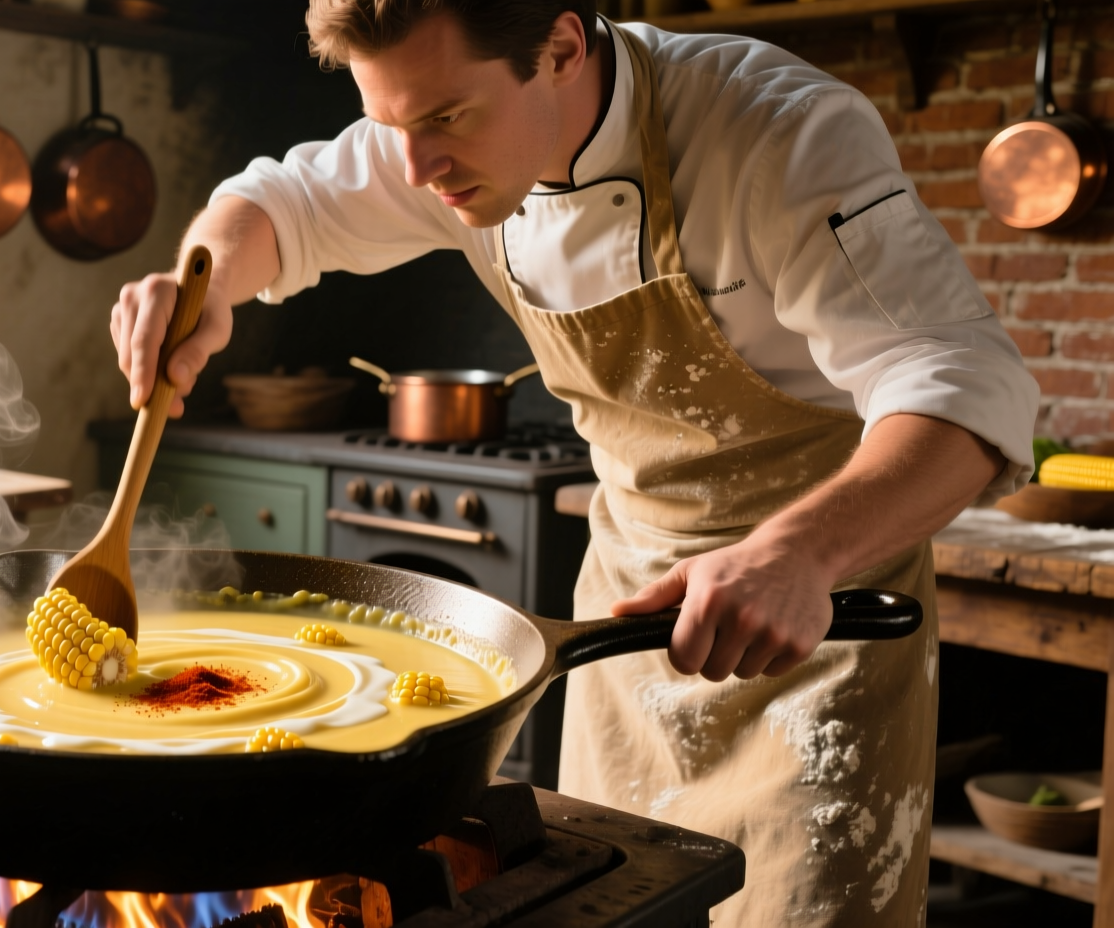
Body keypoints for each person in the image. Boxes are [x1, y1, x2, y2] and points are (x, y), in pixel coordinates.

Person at [108, 1, 1038, 924]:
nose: (416, 168)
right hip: (622, 630)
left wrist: (799, 552)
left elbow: (968, 390)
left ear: (559, 46)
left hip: (813, 629)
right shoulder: (432, 139)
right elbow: (280, 203)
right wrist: (204, 281)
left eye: (447, 118)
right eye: (389, 123)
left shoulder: (779, 133)